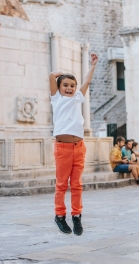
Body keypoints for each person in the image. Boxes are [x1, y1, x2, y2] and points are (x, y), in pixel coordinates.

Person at [49, 53, 98, 236]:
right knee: (61, 184)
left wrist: (92, 65)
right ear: (59, 87)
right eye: (65, 85)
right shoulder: (56, 99)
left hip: (79, 147)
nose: (69, 88)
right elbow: (50, 77)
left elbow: (86, 80)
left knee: (76, 184)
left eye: (72, 86)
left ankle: (76, 215)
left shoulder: (78, 98)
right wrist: (61, 73)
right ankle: (59, 216)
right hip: (62, 148)